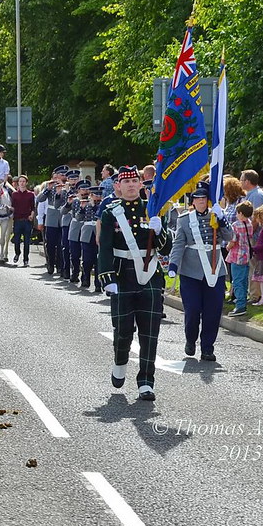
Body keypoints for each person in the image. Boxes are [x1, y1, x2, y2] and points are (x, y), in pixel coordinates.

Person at [97, 166, 172, 402]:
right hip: (122, 275)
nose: (130, 185)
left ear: (141, 185)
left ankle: (146, 382)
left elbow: (166, 248)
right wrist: (107, 277)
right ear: (117, 186)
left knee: (150, 332)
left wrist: (160, 231)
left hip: (149, 275)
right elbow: (105, 247)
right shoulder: (111, 212)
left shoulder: (152, 211)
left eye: (134, 182)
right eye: (125, 182)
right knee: (123, 331)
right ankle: (120, 361)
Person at [168, 183, 232, 361]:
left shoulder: (217, 215)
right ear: (193, 201)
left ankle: (207, 347)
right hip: (191, 270)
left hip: (214, 269)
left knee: (213, 311)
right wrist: (173, 265)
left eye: (203, 199)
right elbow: (179, 243)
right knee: (193, 309)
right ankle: (190, 339)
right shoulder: (185, 219)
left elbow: (230, 237)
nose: (201, 202)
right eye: (197, 199)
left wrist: (222, 221)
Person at [37, 167, 69, 275]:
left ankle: (60, 266)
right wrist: (48, 189)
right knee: (50, 243)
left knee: (61, 244)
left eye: (64, 175)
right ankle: (50, 263)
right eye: (59, 175)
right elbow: (39, 199)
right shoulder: (50, 186)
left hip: (64, 216)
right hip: (51, 216)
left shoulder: (69, 186)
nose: (61, 177)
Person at [227, 201, 254, 316]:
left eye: (237, 213)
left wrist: (228, 246)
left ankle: (240, 305)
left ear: (241, 213)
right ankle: (243, 301)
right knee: (243, 280)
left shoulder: (236, 225)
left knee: (237, 281)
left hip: (236, 256)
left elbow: (233, 241)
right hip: (246, 255)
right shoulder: (249, 224)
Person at [9, 175, 36, 267]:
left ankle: (26, 259)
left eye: (23, 181)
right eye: (20, 181)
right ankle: (17, 253)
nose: (22, 183)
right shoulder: (14, 194)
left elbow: (33, 207)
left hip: (27, 220)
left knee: (27, 242)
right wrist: (8, 208)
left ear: (26, 183)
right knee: (16, 240)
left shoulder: (31, 194)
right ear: (18, 183)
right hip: (17, 220)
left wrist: (31, 215)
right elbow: (13, 206)